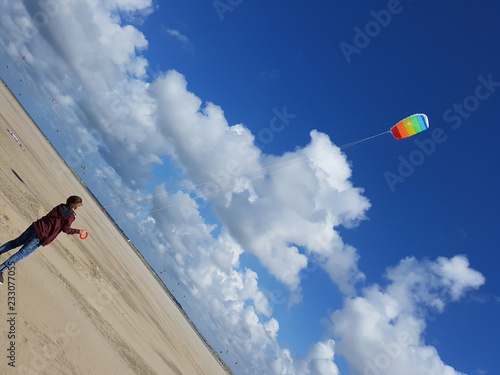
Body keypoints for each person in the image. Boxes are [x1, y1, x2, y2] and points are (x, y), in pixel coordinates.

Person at [0, 196, 87, 284]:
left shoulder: (60, 206)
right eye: (80, 205)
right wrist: (79, 231)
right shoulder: (71, 216)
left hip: (36, 227)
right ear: (76, 207)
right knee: (21, 253)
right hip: (40, 235)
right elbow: (66, 229)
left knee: (16, 242)